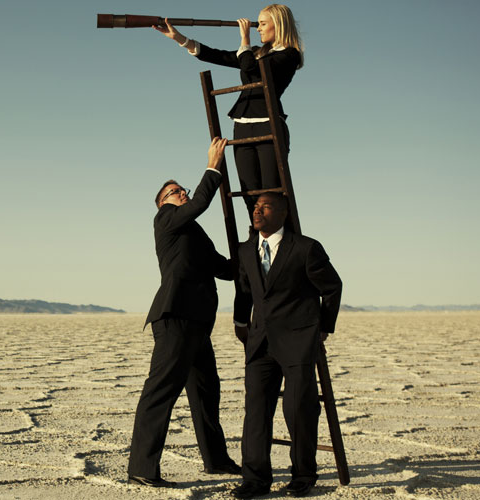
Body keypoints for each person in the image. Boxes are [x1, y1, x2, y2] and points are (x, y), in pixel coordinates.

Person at [128, 137, 241, 488]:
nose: (183, 193)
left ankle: (216, 461)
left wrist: (256, 253)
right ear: (163, 203)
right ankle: (142, 469)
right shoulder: (166, 220)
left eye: (183, 190)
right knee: (161, 391)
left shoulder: (192, 232)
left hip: (197, 323)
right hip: (175, 318)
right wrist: (213, 165)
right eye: (176, 192)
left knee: (206, 392)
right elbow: (201, 203)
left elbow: (223, 268)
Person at [229, 192, 342, 498]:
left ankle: (303, 475)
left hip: (297, 341)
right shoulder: (247, 250)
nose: (257, 210)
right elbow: (244, 291)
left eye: (265, 206)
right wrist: (241, 324)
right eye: (255, 207)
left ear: (283, 212)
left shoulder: (305, 248)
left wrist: (322, 329)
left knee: (298, 410)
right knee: (256, 412)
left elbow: (332, 287)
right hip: (260, 342)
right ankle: (255, 480)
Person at [155, 4, 304, 214]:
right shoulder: (254, 53)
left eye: (262, 23)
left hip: (268, 125)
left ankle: (279, 237)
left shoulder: (289, 55)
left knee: (271, 191)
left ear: (278, 25)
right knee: (248, 190)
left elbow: (251, 70)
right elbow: (216, 55)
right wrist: (179, 38)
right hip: (242, 126)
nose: (257, 28)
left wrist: (244, 40)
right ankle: (256, 237)